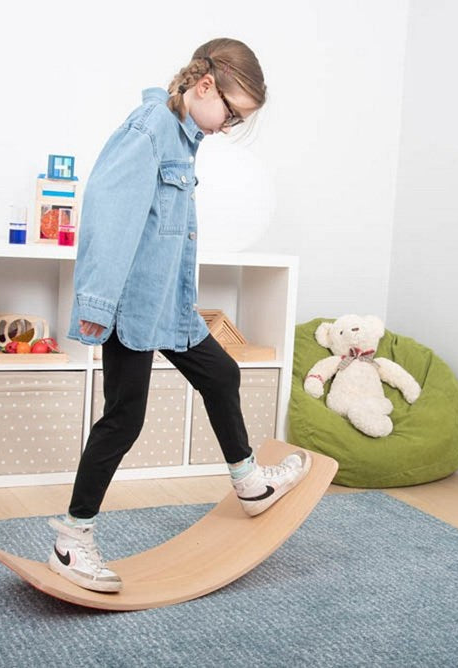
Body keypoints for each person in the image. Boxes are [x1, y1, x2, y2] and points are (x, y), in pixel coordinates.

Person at [48, 38, 312, 593]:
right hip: (131, 306)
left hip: (168, 302)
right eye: (232, 113)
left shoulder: (182, 136)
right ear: (204, 86)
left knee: (223, 374)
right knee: (125, 418)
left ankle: (248, 484)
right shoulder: (149, 130)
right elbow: (107, 216)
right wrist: (96, 304)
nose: (229, 127)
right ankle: (72, 540)